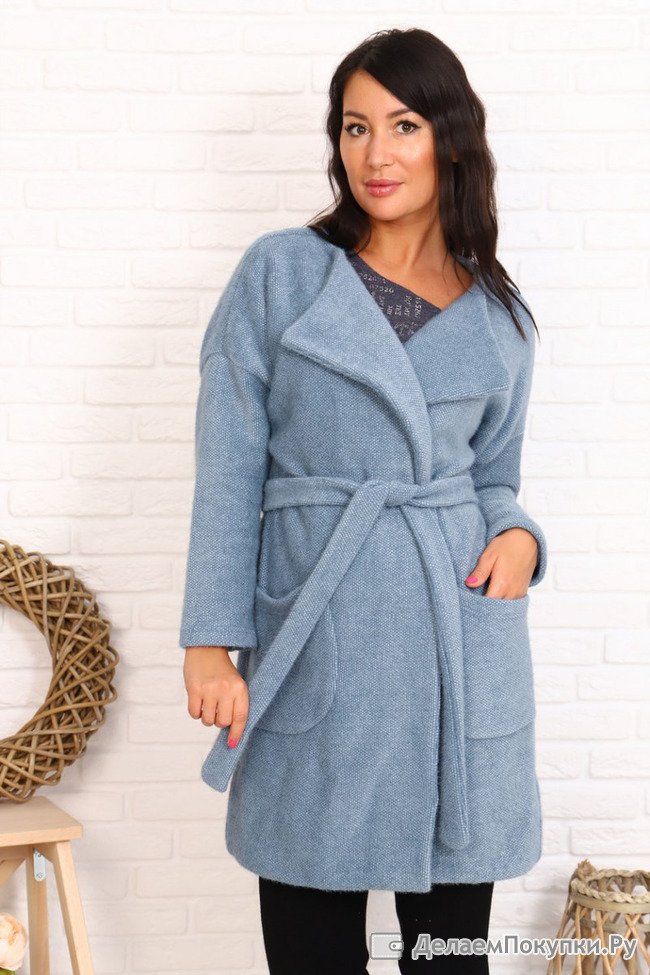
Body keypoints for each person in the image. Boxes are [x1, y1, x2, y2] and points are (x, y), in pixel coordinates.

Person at [180, 26, 548, 975]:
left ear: (451, 141)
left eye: (404, 124)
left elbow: (495, 478)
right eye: (355, 127)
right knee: (312, 952)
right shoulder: (283, 274)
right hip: (320, 637)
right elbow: (229, 468)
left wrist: (518, 537)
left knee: (451, 958)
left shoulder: (500, 317)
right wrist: (209, 641)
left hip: (455, 651)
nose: (375, 153)